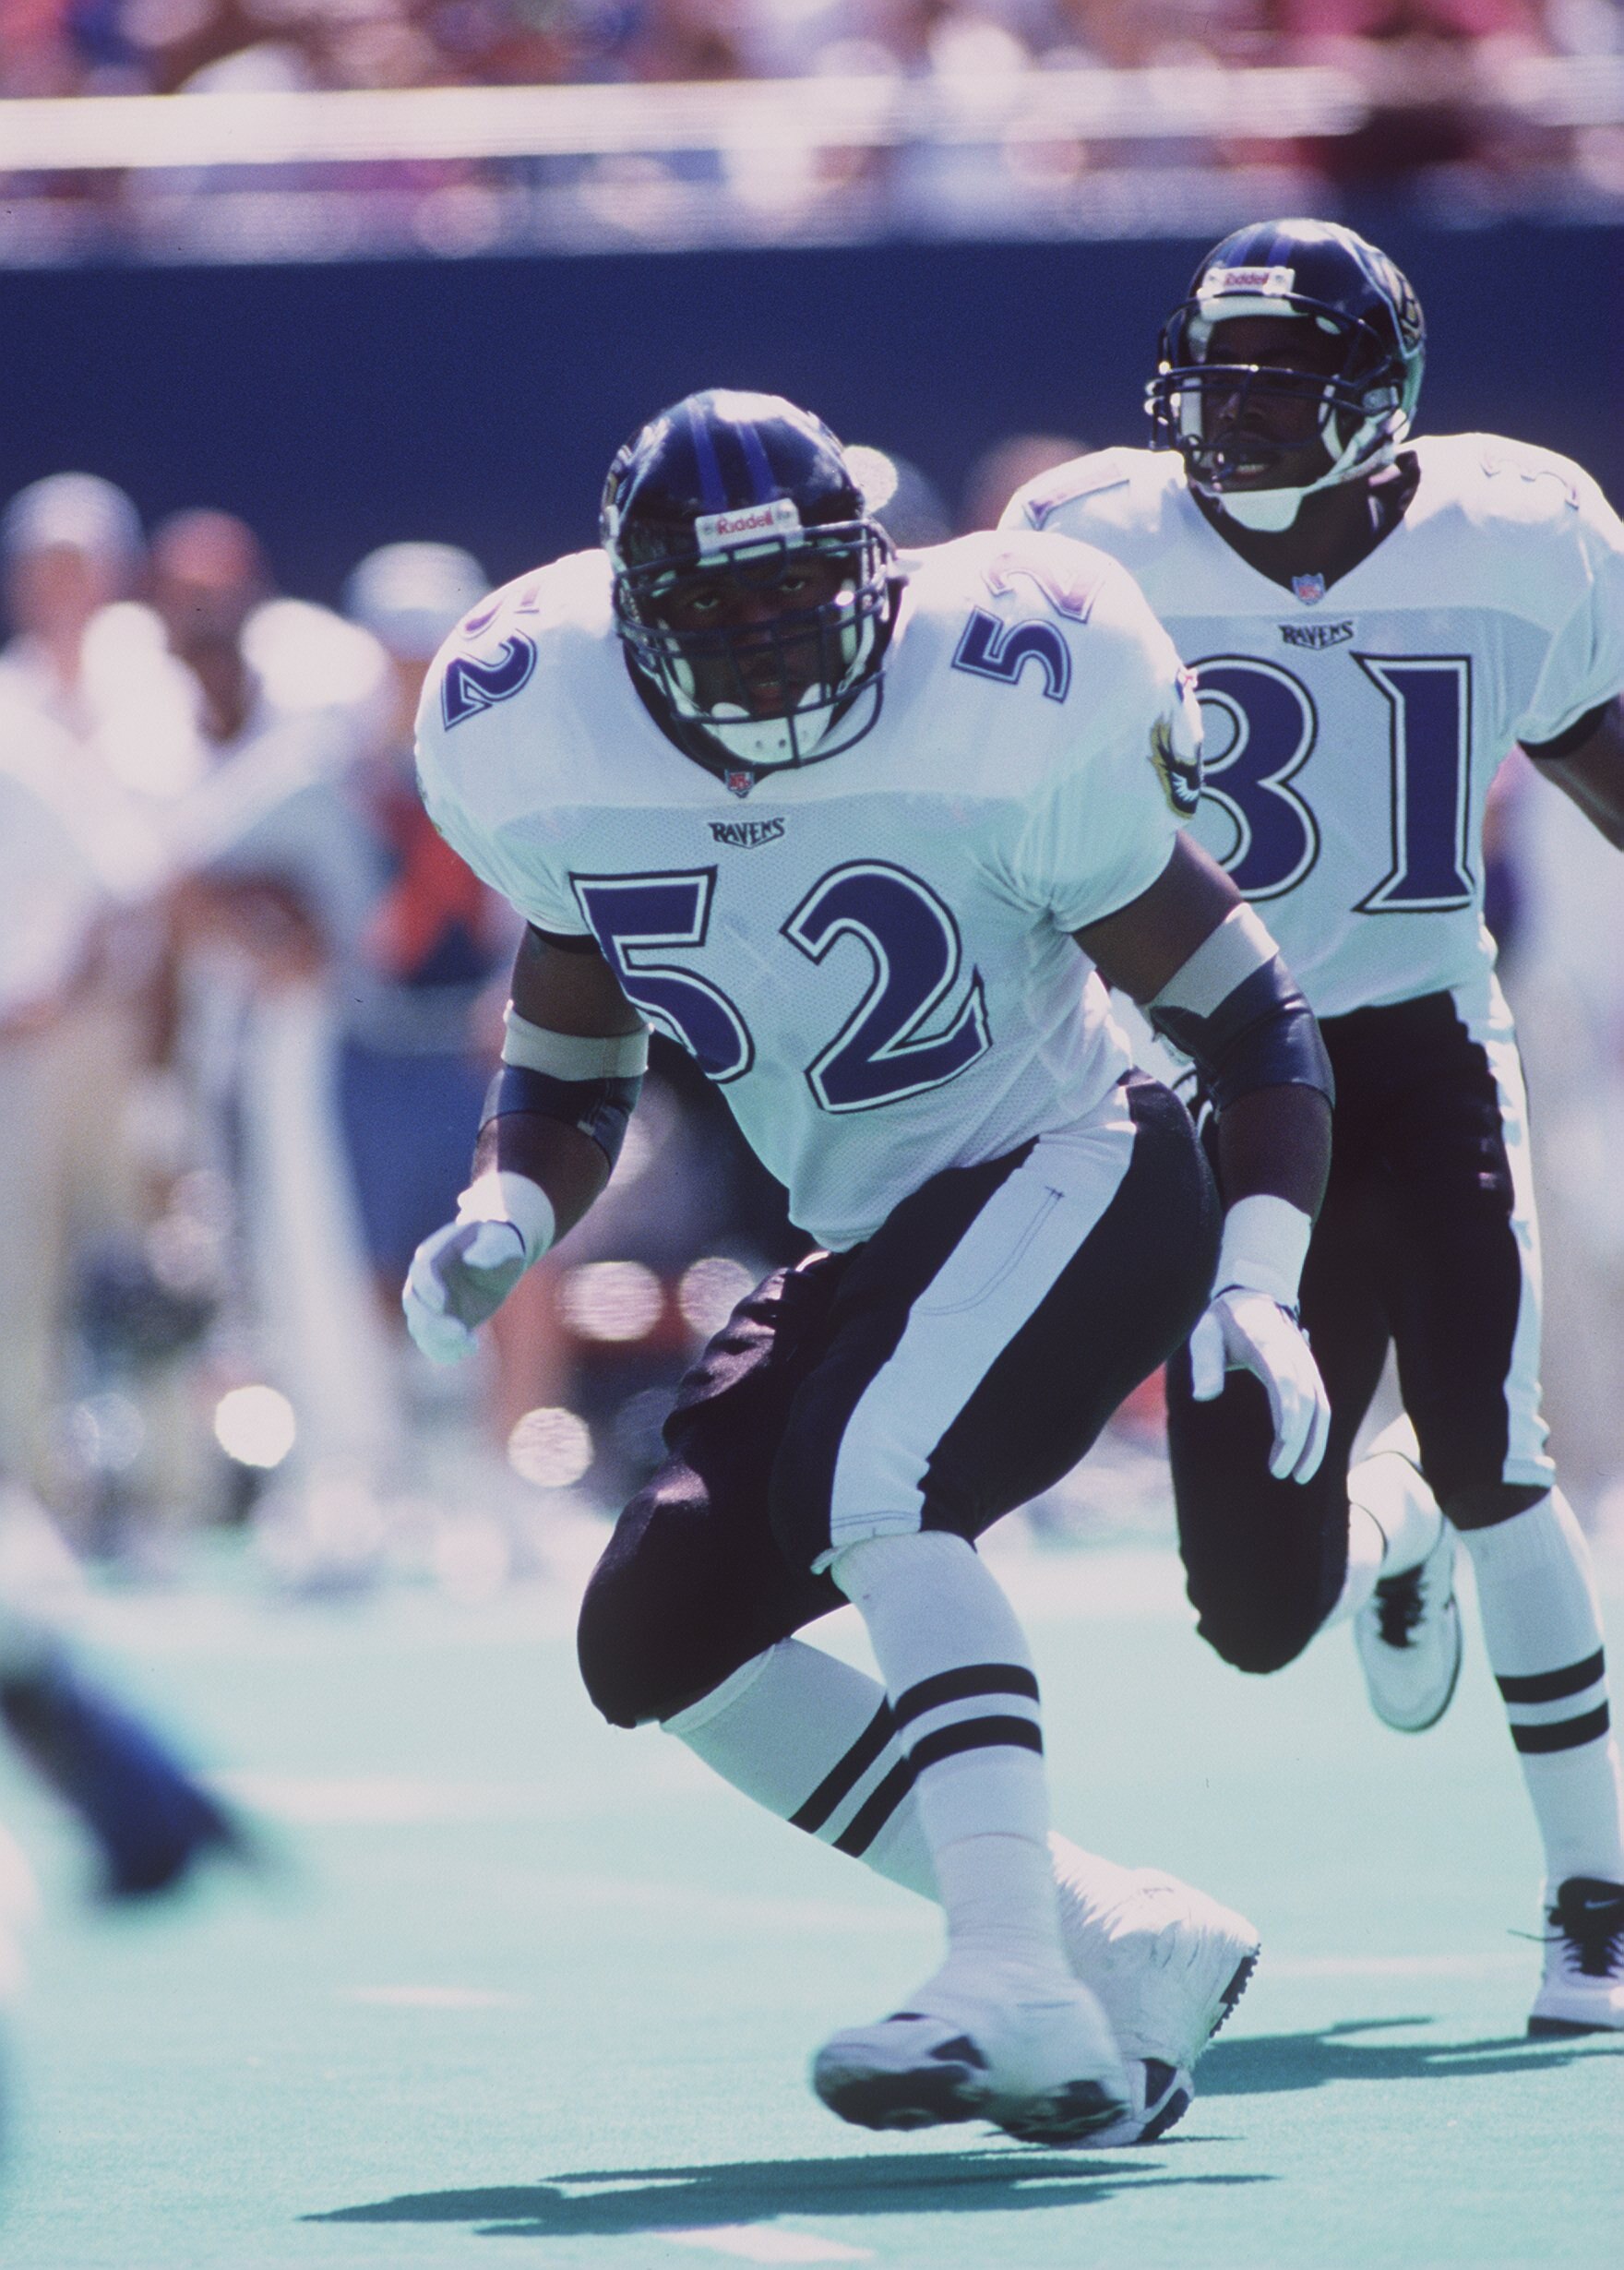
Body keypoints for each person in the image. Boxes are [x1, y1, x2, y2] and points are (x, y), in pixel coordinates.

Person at [397, 388, 1336, 2145]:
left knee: (874, 1477)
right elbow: (570, 1056)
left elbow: (1250, 1015)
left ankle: (1009, 1985)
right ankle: (1107, 1942)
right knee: (657, 1635)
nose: (763, 652)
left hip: (1081, 1157)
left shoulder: (1014, 683)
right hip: (881, 1229)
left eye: (794, 603)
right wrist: (511, 1215)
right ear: (630, 624)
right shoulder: (549, 738)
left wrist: (1260, 1277)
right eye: (716, 617)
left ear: (877, 580)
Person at [1001, 217, 1624, 2037]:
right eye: (1221, 384)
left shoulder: (1521, 533)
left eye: (1284, 388)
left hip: (1421, 1049)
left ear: (1381, 402)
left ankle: (1594, 1898)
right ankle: (1388, 1525)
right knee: (1256, 1610)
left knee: (1503, 1448)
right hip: (1209, 1075)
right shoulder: (1084, 543)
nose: (1241, 422)